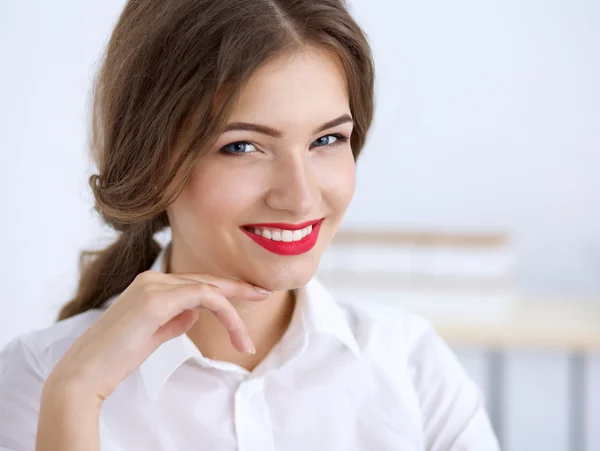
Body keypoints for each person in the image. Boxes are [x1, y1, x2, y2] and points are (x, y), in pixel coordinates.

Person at [0, 0, 500, 450]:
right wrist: (76, 394)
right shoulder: (45, 379)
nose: (301, 196)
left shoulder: (412, 365)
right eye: (242, 146)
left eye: (326, 140)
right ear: (153, 162)